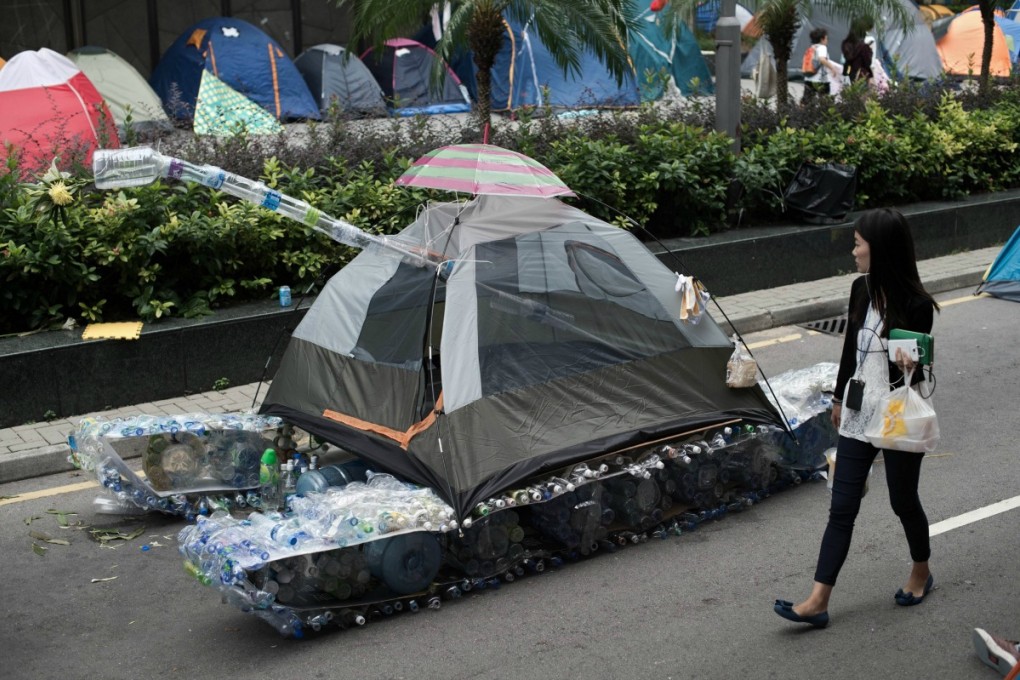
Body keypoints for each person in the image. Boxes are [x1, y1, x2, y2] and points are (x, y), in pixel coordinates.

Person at [774, 208, 940, 629]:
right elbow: (850, 349)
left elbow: (916, 372)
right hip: (856, 410)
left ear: (879, 249)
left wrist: (907, 357)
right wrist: (837, 397)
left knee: (903, 501)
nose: (853, 251)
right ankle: (817, 601)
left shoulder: (917, 305)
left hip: (897, 414)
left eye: (858, 243)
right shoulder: (859, 289)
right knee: (842, 505)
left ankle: (921, 570)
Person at [802, 28, 842, 104]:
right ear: (822, 39)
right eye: (826, 38)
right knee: (825, 101)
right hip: (821, 80)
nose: (827, 40)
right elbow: (822, 59)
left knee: (806, 101)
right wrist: (832, 68)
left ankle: (800, 114)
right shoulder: (822, 47)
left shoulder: (811, 48)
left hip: (808, 78)